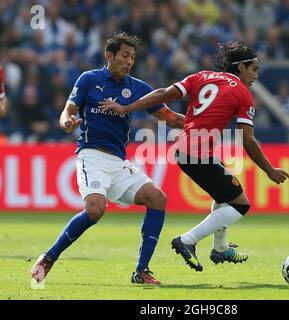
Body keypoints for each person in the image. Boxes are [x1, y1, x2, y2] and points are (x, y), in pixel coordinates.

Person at [99, 41, 289, 272]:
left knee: (224, 193)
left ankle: (220, 248)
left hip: (184, 150)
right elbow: (248, 140)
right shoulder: (243, 94)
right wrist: (269, 170)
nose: (256, 75)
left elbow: (162, 94)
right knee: (241, 204)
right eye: (254, 69)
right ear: (240, 67)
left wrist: (126, 107)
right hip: (198, 154)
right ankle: (187, 240)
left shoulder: (201, 76)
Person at [31, 32, 185, 284]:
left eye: (133, 58)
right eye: (125, 56)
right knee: (95, 210)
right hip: (92, 155)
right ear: (109, 55)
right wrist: (67, 122)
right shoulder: (89, 79)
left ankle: (141, 271)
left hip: (118, 162)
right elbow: (66, 113)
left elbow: (168, 116)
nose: (129, 62)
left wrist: (194, 122)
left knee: (157, 198)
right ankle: (48, 258)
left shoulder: (137, 88)